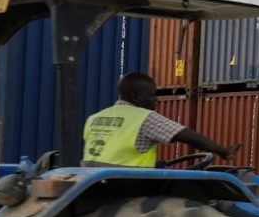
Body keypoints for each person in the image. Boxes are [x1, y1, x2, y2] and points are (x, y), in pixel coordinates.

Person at [82, 72, 242, 168]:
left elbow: (114, 153)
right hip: (129, 189)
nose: (156, 100)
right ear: (135, 97)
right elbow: (188, 136)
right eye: (152, 95)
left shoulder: (94, 118)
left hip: (94, 185)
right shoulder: (144, 118)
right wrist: (223, 151)